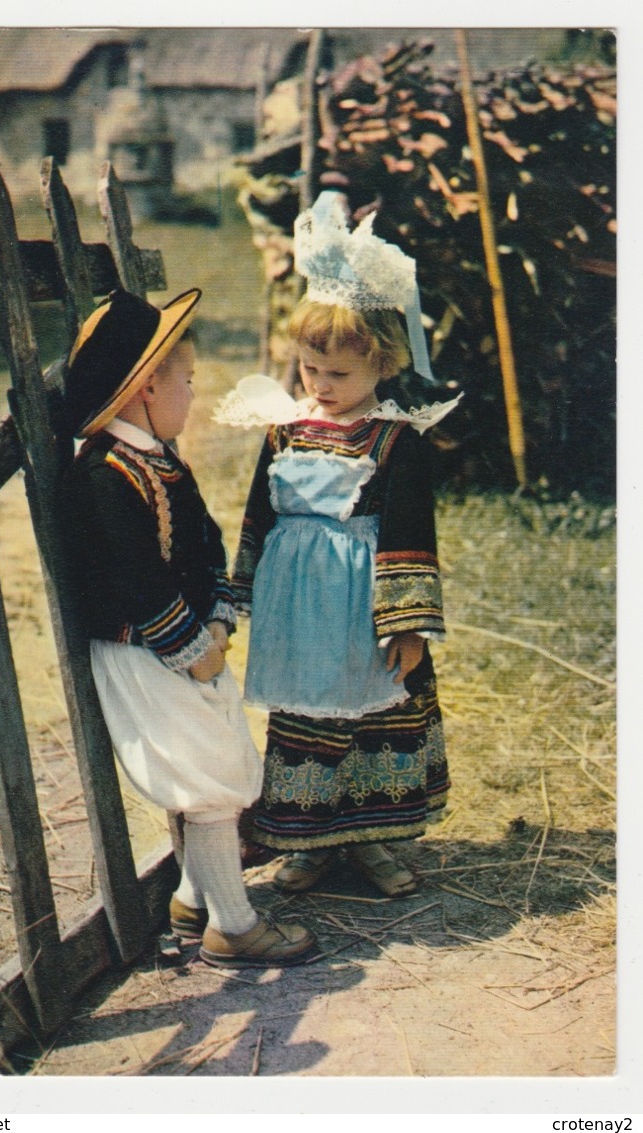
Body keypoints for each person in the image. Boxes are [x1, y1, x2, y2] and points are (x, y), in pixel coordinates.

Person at [59, 286, 317, 967]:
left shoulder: (159, 459)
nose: (195, 395)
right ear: (148, 387)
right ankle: (233, 923)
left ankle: (193, 899)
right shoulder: (108, 476)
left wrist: (222, 617)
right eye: (189, 381)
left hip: (190, 650)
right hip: (147, 655)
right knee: (204, 781)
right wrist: (191, 646)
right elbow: (135, 579)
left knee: (220, 763)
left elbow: (201, 541)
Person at [216, 192, 461, 898]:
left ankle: (373, 843)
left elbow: (412, 535)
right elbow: (258, 514)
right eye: (309, 370)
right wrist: (240, 593)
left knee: (376, 717)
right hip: (301, 614)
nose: (320, 387)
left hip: (365, 609)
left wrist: (408, 624)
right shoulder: (284, 429)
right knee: (306, 720)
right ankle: (309, 841)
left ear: (382, 365)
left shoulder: (394, 439)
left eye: (339, 375)